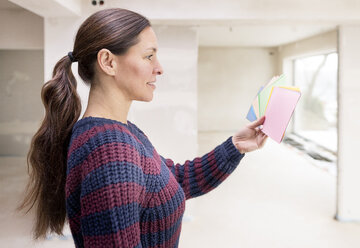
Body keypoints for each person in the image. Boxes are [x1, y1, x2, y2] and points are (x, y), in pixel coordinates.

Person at [17, 8, 268, 248]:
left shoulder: (122, 133)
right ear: (108, 62)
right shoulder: (109, 151)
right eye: (149, 56)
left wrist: (235, 147)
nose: (159, 68)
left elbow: (176, 180)